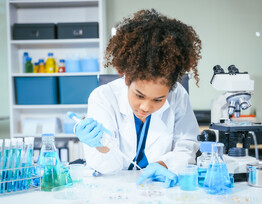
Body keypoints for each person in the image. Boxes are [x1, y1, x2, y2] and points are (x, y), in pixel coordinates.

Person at [70, 9, 202, 187]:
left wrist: (164, 164)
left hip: (161, 186)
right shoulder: (103, 97)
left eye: (158, 99)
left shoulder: (178, 95)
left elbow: (187, 145)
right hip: (116, 190)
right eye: (139, 95)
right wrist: (100, 144)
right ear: (126, 77)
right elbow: (108, 168)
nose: (146, 107)